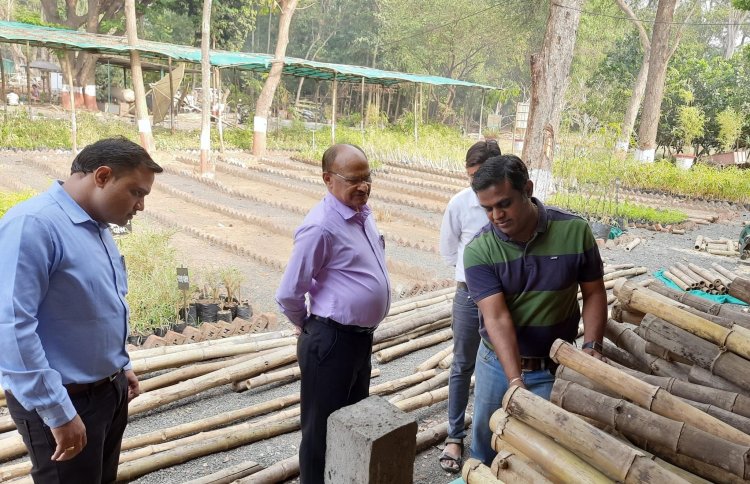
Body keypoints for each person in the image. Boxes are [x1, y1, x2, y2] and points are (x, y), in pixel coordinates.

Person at [0, 137, 162, 483]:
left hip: (107, 390)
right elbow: (11, 327)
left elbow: (96, 303)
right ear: (102, 176)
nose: (141, 206)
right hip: (65, 398)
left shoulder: (97, 225)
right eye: (137, 192)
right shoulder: (34, 225)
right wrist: (58, 413)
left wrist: (120, 364)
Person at [463, 154, 607, 465]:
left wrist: (592, 347)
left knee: (545, 454)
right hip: (497, 367)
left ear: (527, 189)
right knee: (487, 448)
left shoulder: (574, 231)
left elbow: (594, 292)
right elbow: (496, 318)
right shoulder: (479, 250)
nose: (496, 215)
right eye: (487, 208)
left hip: (556, 364)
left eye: (504, 203)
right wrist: (515, 382)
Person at [275, 143, 390, 484]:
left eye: (367, 178)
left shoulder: (362, 216)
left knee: (353, 424)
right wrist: (306, 326)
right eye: (354, 179)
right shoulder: (320, 227)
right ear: (328, 179)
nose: (364, 186)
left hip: (358, 339)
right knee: (320, 434)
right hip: (330, 341)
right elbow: (288, 292)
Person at [437, 139, 501, 473]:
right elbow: (449, 250)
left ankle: (497, 432)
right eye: (470, 176)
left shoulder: (512, 204)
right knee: (463, 364)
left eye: (480, 175)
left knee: (501, 362)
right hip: (468, 296)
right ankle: (454, 435)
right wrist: (469, 277)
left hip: (507, 298)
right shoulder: (459, 204)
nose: (473, 183)